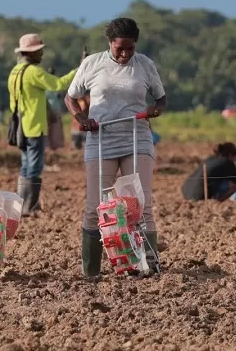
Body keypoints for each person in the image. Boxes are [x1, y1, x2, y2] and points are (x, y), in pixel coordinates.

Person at [65, 17, 167, 278]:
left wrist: (155, 110)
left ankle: (149, 266)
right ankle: (91, 271)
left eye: (130, 49)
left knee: (140, 205)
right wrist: (81, 119)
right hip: (101, 139)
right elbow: (71, 97)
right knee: (95, 207)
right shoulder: (93, 64)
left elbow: (161, 97)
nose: (124, 54)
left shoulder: (144, 65)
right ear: (109, 43)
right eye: (119, 48)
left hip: (137, 137)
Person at [7, 33, 77, 215]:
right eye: (40, 51)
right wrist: (81, 69)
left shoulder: (14, 72)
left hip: (20, 127)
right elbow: (59, 84)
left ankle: (22, 205)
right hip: (35, 126)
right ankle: (30, 206)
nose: (42, 55)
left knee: (25, 165)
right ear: (31, 53)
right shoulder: (33, 72)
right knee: (35, 167)